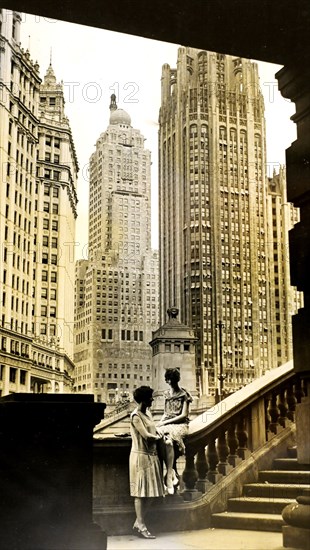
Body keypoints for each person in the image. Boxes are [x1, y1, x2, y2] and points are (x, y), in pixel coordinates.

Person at [129, 385, 165, 539]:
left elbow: (153, 430)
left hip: (152, 456)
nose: (152, 399)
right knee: (140, 493)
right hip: (140, 457)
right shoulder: (136, 416)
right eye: (150, 397)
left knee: (152, 493)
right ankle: (142, 525)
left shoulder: (148, 413)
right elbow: (146, 436)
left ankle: (138, 522)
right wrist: (160, 438)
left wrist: (160, 433)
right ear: (144, 399)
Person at [156, 368, 192, 495]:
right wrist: (160, 423)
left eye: (169, 379)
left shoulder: (184, 395)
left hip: (180, 425)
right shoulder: (166, 394)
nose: (168, 381)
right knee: (162, 439)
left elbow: (184, 415)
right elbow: (166, 413)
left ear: (173, 380)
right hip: (167, 423)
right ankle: (172, 474)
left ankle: (169, 475)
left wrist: (164, 423)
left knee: (168, 439)